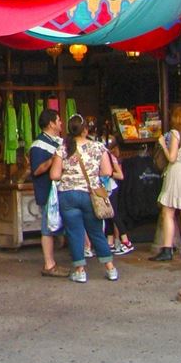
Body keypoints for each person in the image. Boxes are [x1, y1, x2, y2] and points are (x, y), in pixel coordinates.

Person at [51, 114, 119, 283]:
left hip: (68, 195)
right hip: (91, 194)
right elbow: (107, 172)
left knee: (75, 233)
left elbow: (54, 174)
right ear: (85, 130)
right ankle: (110, 269)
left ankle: (80, 271)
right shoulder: (98, 147)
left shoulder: (62, 148)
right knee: (96, 232)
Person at [149, 105, 181, 261]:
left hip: (176, 171)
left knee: (168, 212)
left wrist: (163, 144)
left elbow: (172, 158)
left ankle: (167, 249)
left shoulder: (175, 134)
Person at [29, 108, 69, 277]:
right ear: (51, 123)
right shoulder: (38, 145)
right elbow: (36, 170)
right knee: (47, 228)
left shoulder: (59, 141)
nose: (61, 123)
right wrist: (54, 159)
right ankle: (49, 264)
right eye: (58, 120)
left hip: (63, 190)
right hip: (48, 192)